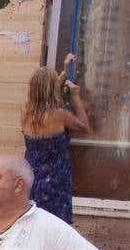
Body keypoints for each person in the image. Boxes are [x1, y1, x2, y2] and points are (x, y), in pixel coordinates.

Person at [21, 55, 89, 223]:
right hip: (56, 180)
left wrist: (65, 71)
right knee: (55, 226)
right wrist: (75, 96)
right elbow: (84, 126)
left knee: (32, 223)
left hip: (31, 178)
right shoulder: (59, 115)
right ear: (53, 89)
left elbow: (46, 91)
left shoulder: (25, 113)